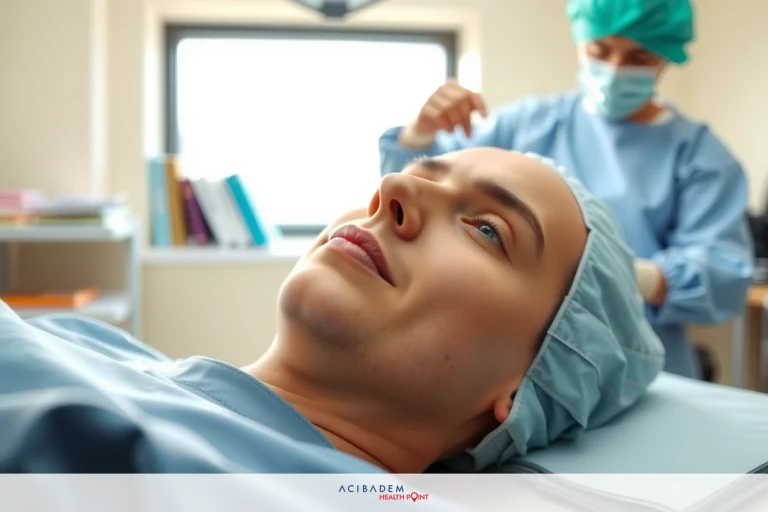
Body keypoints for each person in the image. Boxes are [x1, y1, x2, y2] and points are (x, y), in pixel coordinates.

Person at [0, 149, 664, 476]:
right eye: (420, 174)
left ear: (523, 388)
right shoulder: (98, 345)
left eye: (487, 229)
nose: (393, 188)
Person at [378, 0, 754, 380]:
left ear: (666, 56)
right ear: (581, 39)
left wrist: (614, 272)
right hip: (511, 362)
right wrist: (420, 133)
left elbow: (722, 276)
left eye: (638, 55)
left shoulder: (698, 155)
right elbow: (418, 196)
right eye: (600, 50)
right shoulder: (526, 127)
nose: (615, 69)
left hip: (640, 367)